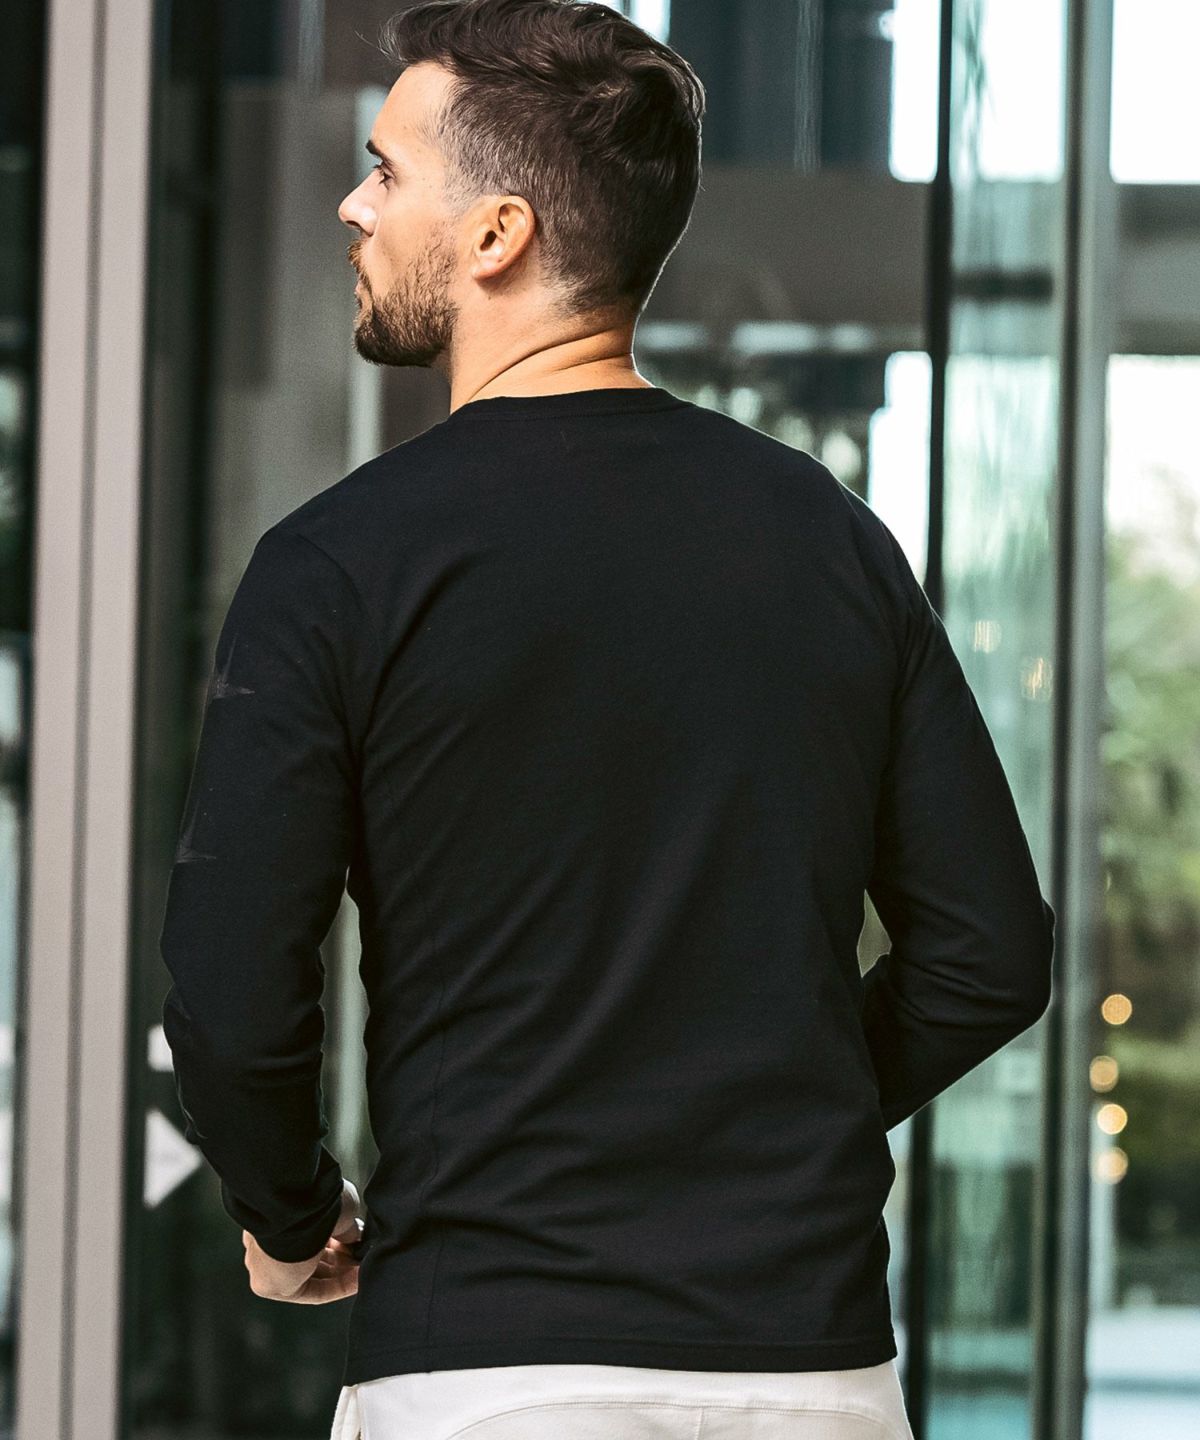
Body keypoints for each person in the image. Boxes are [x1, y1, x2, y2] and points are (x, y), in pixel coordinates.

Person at [157, 2, 1056, 1437]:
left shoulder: (341, 562)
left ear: (497, 233)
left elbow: (232, 993)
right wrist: (782, 1128)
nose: (353, 205)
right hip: (811, 1376)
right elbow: (990, 955)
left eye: (386, 171)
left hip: (490, 1373)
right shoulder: (830, 542)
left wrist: (290, 1214)